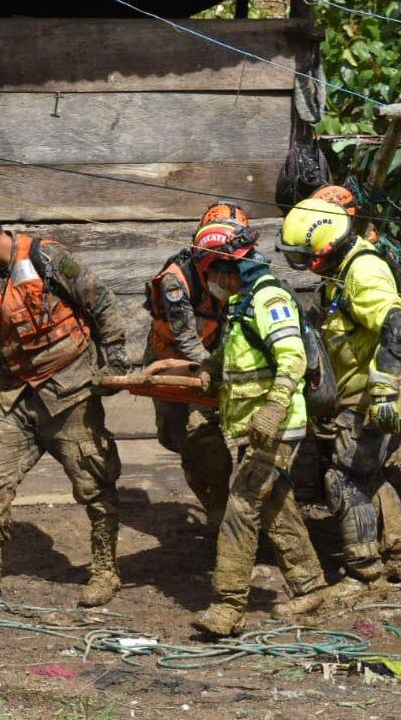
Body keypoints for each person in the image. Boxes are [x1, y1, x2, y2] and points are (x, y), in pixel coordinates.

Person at [0, 204, 131, 606]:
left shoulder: (47, 257)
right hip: (17, 395)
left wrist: (113, 361)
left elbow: (103, 303)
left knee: (94, 480)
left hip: (71, 389)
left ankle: (104, 571)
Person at [180, 221, 334, 636]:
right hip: (253, 426)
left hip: (277, 424)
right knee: (274, 502)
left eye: (211, 272)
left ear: (228, 267)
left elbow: (292, 357)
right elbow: (245, 354)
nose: (209, 281)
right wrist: (213, 369)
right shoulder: (240, 302)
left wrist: (274, 407)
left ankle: (228, 605)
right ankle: (312, 587)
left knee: (241, 504)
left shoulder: (269, 298)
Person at [277, 198, 401, 594]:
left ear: (324, 247)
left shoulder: (363, 272)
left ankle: (365, 573)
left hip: (379, 393)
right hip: (373, 389)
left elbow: (400, 330)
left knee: (341, 479)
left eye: (305, 255)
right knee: (366, 472)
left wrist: (382, 393)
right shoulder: (347, 266)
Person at [142, 203, 247, 529]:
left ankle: (221, 508)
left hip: (212, 358)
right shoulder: (177, 280)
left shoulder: (239, 268)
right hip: (170, 359)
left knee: (204, 434)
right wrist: (214, 367)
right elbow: (185, 338)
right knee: (177, 438)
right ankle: (208, 492)